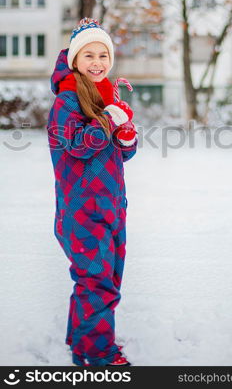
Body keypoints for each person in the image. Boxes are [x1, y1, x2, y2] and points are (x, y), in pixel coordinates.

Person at [46, 18, 138, 366]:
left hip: (112, 204)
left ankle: (83, 338)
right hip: (82, 208)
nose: (97, 62)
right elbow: (77, 145)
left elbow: (121, 152)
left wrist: (126, 135)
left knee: (105, 279)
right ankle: (96, 355)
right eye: (89, 55)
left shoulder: (106, 95)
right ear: (74, 60)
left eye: (103, 55)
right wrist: (109, 122)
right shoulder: (67, 101)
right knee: (97, 281)